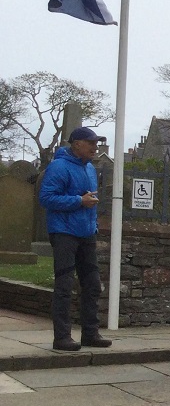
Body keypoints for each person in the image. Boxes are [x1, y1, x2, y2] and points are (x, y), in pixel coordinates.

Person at [39, 126, 112, 352]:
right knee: (64, 285)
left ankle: (90, 333)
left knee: (91, 284)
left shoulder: (90, 168)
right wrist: (78, 201)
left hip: (86, 233)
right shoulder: (59, 167)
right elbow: (46, 198)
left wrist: (93, 222)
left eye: (97, 143)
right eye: (91, 143)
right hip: (64, 233)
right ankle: (62, 337)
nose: (95, 147)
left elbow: (90, 199)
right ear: (77, 144)